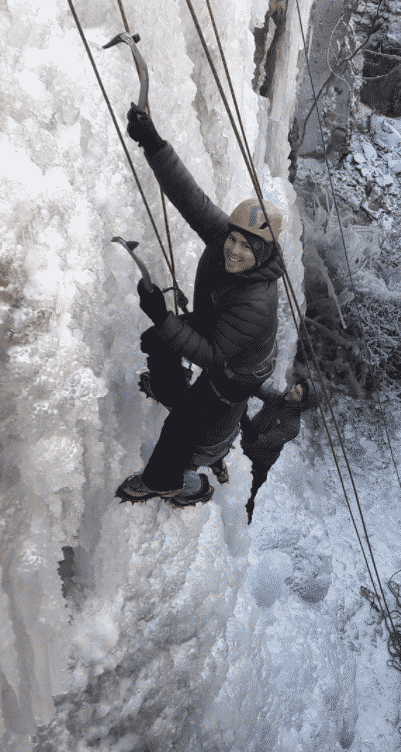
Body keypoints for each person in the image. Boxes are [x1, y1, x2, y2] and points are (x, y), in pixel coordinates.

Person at [115, 105, 286, 508]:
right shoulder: (223, 235)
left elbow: (211, 355)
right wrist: (152, 143)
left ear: (263, 253)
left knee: (183, 429)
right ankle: (168, 389)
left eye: (248, 247)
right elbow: (188, 196)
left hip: (233, 371)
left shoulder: (257, 303)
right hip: (214, 331)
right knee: (156, 341)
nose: (235, 251)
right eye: (235, 240)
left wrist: (163, 314)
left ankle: (170, 483)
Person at [240, 373, 320, 524]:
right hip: (246, 446)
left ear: (302, 403)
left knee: (249, 493)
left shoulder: (292, 426)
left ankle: (243, 521)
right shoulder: (279, 398)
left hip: (260, 461)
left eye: (297, 393)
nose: (291, 391)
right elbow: (260, 390)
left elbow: (264, 440)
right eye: (294, 388)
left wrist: (243, 419)